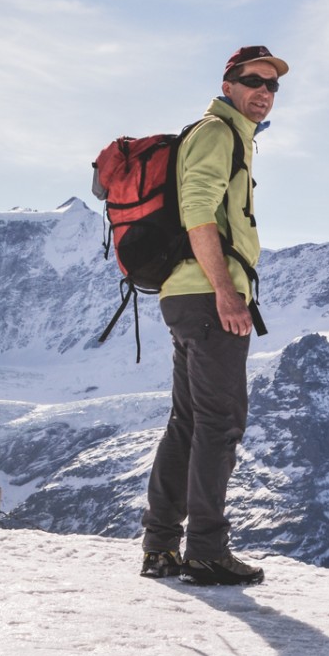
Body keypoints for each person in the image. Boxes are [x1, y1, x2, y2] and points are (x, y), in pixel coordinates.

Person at [139, 44, 288, 586]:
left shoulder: (232, 137)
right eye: (253, 80)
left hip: (187, 295)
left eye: (273, 85)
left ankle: (161, 548)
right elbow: (197, 208)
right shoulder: (217, 133)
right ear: (228, 84)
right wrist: (226, 291)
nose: (264, 93)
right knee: (219, 424)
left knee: (189, 422)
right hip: (207, 296)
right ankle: (205, 551)